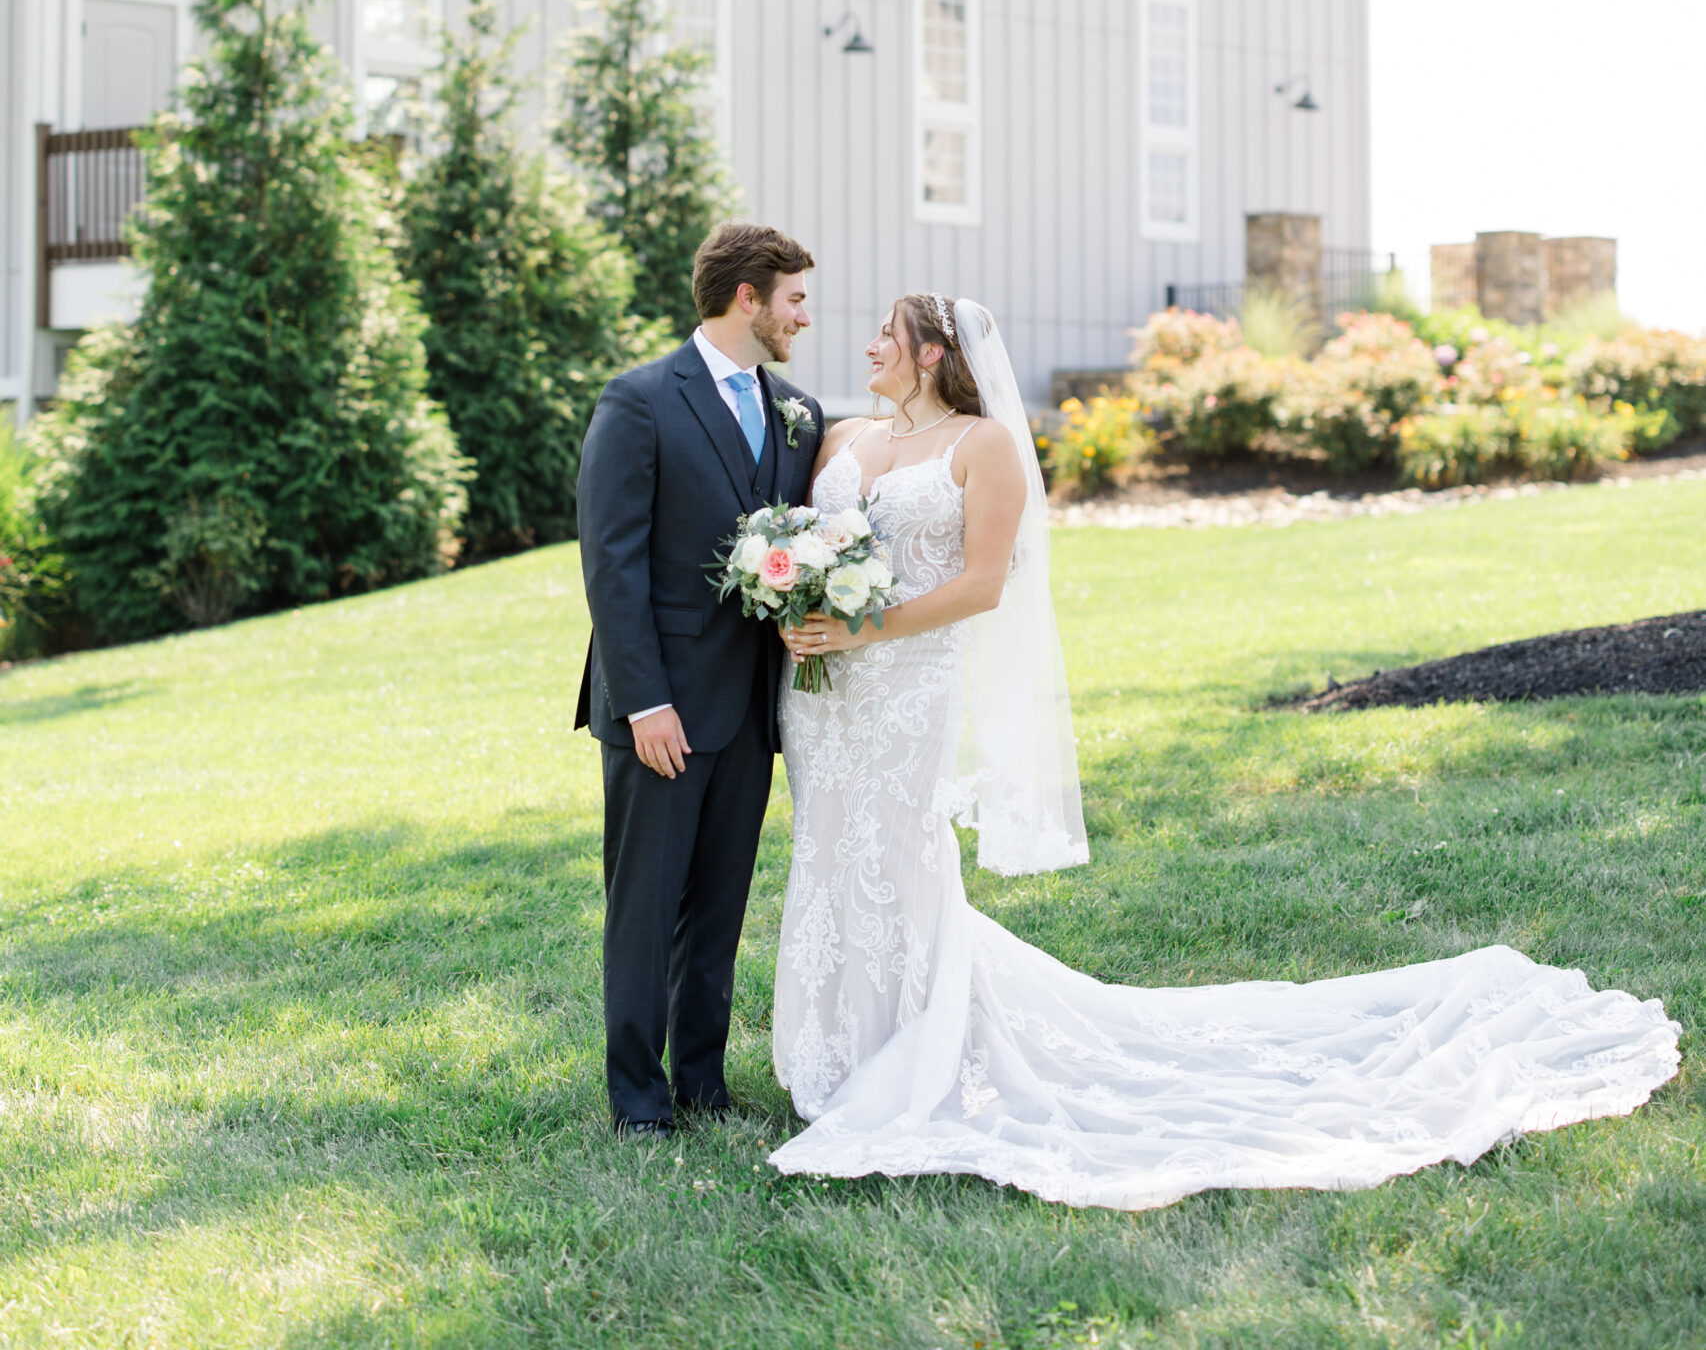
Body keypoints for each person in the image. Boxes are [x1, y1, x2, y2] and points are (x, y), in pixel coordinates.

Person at [767, 292, 1680, 1212]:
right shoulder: (842, 439)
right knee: (831, 852)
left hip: (908, 689)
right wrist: (803, 610)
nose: (872, 344)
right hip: (825, 700)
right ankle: (834, 1048)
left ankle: (909, 1049)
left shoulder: (983, 446)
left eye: (890, 333)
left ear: (931, 354)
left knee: (901, 857)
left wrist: (866, 629)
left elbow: (980, 585)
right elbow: (809, 548)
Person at [576, 221, 822, 1135]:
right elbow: (612, 564)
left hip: (751, 708)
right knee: (645, 908)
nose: (806, 315)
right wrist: (645, 701)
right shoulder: (639, 400)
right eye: (794, 298)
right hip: (662, 706)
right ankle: (639, 1100)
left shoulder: (799, 411)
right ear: (748, 299)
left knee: (719, 903)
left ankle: (703, 1083)